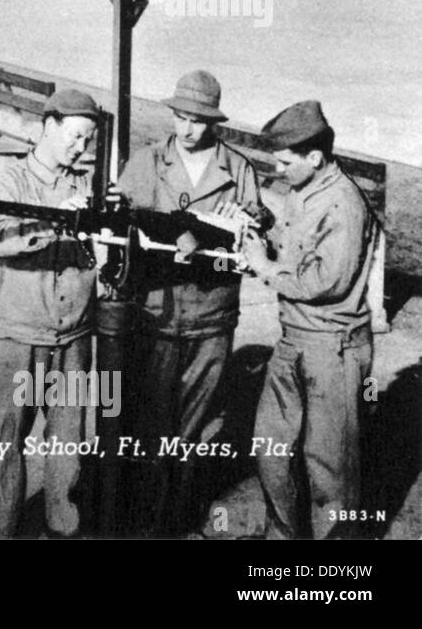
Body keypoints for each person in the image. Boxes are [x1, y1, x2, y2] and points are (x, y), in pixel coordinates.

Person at [115, 70, 266, 536]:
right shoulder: (146, 161)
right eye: (181, 117)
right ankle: (139, 517)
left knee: (194, 427)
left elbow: (256, 239)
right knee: (149, 421)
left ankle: (174, 520)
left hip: (212, 318)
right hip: (156, 312)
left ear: (214, 122)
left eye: (199, 121)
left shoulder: (238, 169)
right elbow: (120, 227)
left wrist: (244, 221)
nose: (188, 129)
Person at [239, 101, 378, 540]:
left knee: (329, 470)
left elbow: (326, 282)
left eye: (285, 162)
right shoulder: (303, 191)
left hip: (333, 349)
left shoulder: (344, 204)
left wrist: (263, 267)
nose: (278, 171)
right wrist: (258, 231)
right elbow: (289, 247)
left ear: (315, 158)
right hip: (293, 340)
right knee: (269, 448)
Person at [0, 89, 102, 539]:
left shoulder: (83, 186)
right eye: (74, 137)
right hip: (17, 335)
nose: (80, 148)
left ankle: (63, 528)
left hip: (71, 337)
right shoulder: (9, 181)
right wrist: (52, 222)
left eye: (88, 140)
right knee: (4, 442)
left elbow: (96, 256)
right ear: (48, 126)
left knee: (68, 442)